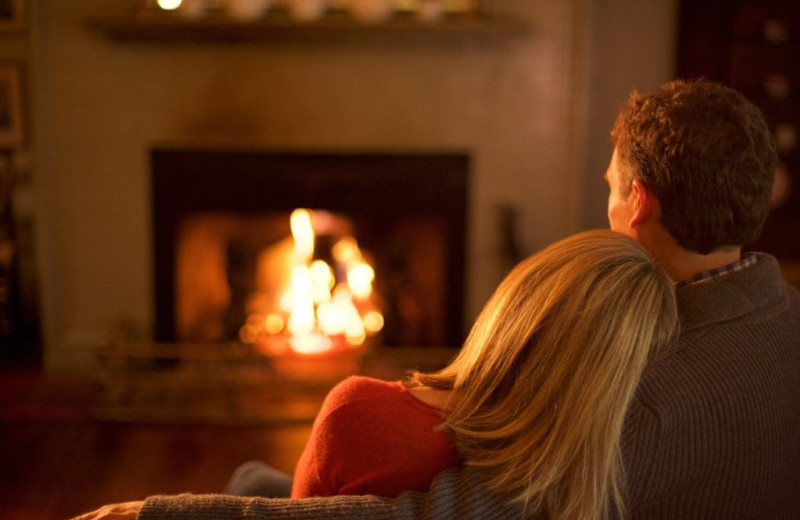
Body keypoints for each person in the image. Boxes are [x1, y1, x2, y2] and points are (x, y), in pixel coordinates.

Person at [72, 78, 800, 520]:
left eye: (610, 189)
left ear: (638, 202)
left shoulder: (644, 401)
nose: (604, 206)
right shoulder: (781, 319)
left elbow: (431, 518)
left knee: (249, 485)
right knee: (255, 480)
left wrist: (160, 513)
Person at [230, 229, 677, 518]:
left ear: (516, 303)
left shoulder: (359, 411)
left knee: (251, 481)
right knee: (254, 478)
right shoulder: (594, 477)